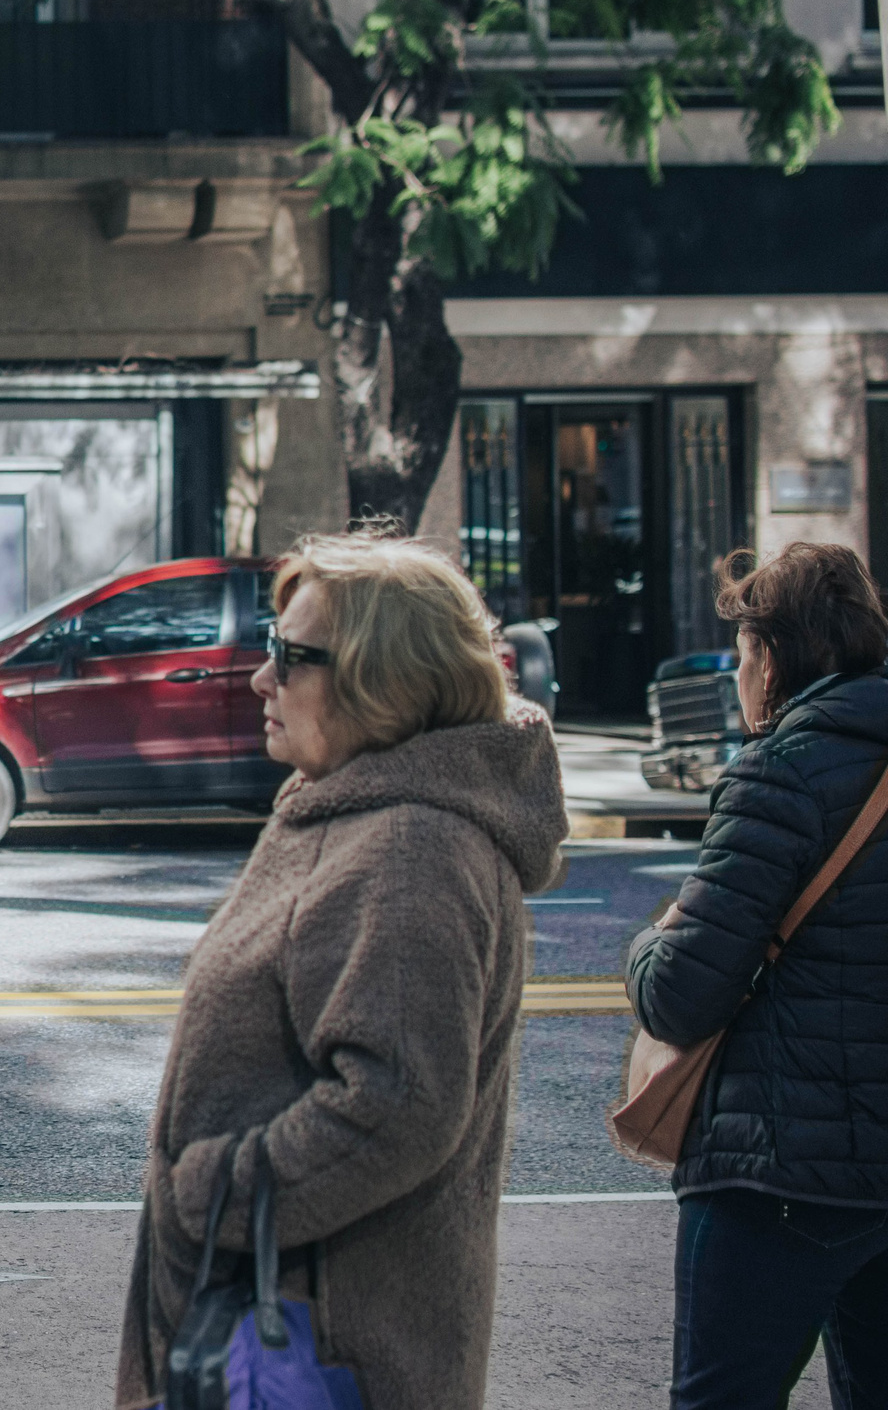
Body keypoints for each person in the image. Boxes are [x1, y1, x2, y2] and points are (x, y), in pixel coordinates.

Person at [115, 532, 566, 1410]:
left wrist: (214, 1189)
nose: (258, 675)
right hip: (280, 1314)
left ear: (383, 679)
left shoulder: (409, 846)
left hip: (327, 1348)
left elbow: (397, 1102)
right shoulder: (347, 808)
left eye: (291, 655)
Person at [627, 542, 888, 1408]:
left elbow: (681, 992)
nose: (742, 674)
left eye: (743, 653)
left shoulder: (778, 773)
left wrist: (643, 946)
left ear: (772, 659)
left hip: (778, 1176)